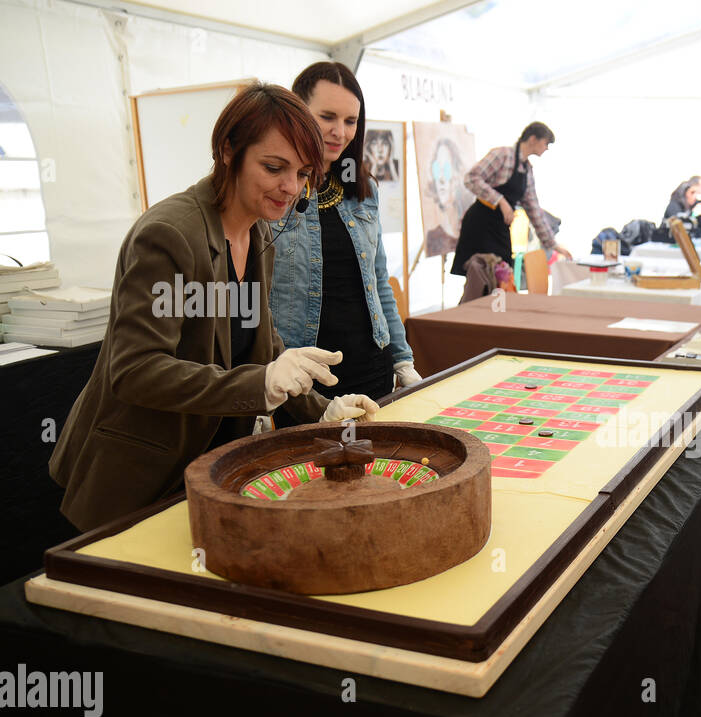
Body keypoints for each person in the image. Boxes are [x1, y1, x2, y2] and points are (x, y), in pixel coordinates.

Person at [49, 83, 379, 533]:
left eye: (303, 173)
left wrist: (320, 410)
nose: (290, 188)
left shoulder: (260, 234)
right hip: (136, 479)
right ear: (228, 150)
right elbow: (136, 371)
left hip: (207, 470)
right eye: (273, 167)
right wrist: (260, 383)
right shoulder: (168, 235)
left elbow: (260, 345)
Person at [270, 62, 420, 419]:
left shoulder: (362, 190)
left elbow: (379, 283)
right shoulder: (274, 192)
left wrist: (402, 359)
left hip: (372, 367)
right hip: (304, 377)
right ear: (297, 112)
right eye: (327, 117)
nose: (340, 132)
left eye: (351, 121)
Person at [452, 122, 571, 276]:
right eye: (546, 143)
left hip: (500, 229)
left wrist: (553, 245)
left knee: (502, 277)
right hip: (480, 226)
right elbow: (471, 178)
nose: (547, 148)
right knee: (478, 278)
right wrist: (500, 201)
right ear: (533, 139)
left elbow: (534, 210)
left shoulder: (527, 170)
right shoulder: (502, 155)